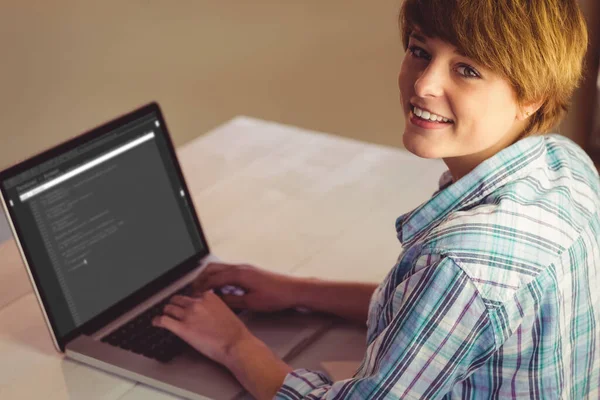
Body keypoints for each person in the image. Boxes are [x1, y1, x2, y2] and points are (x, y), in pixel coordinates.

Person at [152, 0, 600, 398]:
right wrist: (297, 291)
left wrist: (236, 345)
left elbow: (458, 287)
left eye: (467, 69)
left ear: (531, 97)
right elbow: (448, 314)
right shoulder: (565, 163)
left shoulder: (464, 263)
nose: (424, 84)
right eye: (420, 51)